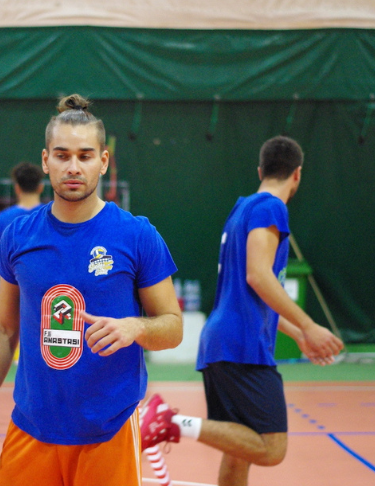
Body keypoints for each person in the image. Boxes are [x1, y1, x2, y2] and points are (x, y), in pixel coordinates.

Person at [0, 94, 183, 485]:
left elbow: (173, 326)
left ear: (103, 161)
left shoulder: (136, 235)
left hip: (107, 430)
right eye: (62, 155)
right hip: (31, 426)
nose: (73, 166)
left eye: (85, 155)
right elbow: (2, 330)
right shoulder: (20, 236)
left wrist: (135, 328)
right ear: (46, 161)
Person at [140, 136, 344, 486]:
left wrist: (296, 334)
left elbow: (249, 293)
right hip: (241, 345)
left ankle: (170, 424)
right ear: (297, 175)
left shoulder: (242, 209)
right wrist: (309, 325)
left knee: (239, 451)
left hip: (223, 340)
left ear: (260, 170)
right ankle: (170, 423)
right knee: (270, 447)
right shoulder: (271, 208)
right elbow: (258, 277)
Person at [0, 161, 45, 276]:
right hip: (49, 290)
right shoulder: (53, 217)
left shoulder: (1, 219)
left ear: (17, 188)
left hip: (12, 290)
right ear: (40, 187)